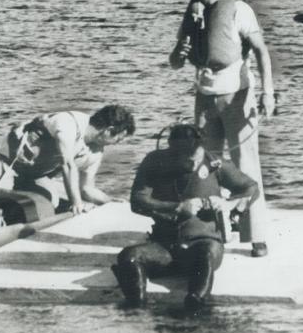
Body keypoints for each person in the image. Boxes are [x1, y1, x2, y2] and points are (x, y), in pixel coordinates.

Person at [168, 0, 274, 253]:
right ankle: (210, 230)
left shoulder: (238, 9)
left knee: (245, 165)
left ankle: (256, 236)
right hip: (205, 96)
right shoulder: (192, 14)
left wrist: (268, 92)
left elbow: (261, 52)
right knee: (205, 163)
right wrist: (180, 50)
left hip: (237, 95)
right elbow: (175, 62)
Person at [111, 123, 260, 309]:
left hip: (203, 244)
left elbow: (251, 188)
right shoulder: (155, 161)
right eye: (187, 160)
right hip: (164, 245)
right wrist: (178, 207)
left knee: (204, 258)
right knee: (128, 257)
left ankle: (197, 304)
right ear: (172, 151)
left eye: (196, 158)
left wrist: (229, 204)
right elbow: (137, 201)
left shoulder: (216, 164)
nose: (193, 164)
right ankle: (137, 309)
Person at [0, 105, 137, 214]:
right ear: (109, 131)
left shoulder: (95, 151)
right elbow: (67, 165)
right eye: (118, 139)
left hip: (33, 174)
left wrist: (109, 201)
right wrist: (76, 203)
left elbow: (87, 188)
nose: (117, 144)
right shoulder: (68, 123)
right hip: (5, 162)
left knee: (50, 202)